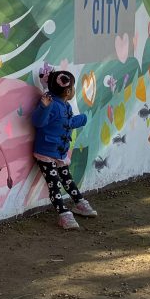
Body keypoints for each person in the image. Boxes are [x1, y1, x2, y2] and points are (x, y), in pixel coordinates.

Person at [31, 69, 96, 230]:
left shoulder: (65, 105)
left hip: (59, 152)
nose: (74, 91)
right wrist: (44, 107)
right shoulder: (51, 104)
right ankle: (63, 213)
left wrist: (81, 120)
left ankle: (79, 202)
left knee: (67, 178)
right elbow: (38, 122)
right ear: (68, 91)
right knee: (54, 184)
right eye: (73, 88)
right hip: (46, 153)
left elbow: (65, 123)